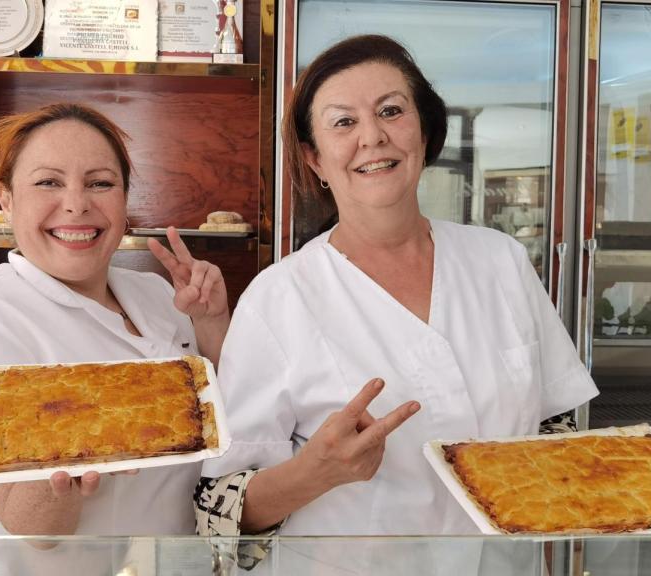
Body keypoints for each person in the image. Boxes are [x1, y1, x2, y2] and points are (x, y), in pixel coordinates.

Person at [196, 34, 598, 571]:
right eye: (344, 122)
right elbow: (217, 510)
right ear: (314, 158)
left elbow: (554, 425)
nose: (373, 137)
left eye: (391, 111)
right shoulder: (279, 297)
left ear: (424, 131)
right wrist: (313, 472)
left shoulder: (499, 261)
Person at [0, 103, 230, 575]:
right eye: (48, 182)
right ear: (7, 199)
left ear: (125, 198)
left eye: (100, 183)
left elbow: (220, 420)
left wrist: (212, 321)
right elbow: (35, 531)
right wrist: (83, 440)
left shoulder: (154, 293)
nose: (76, 204)